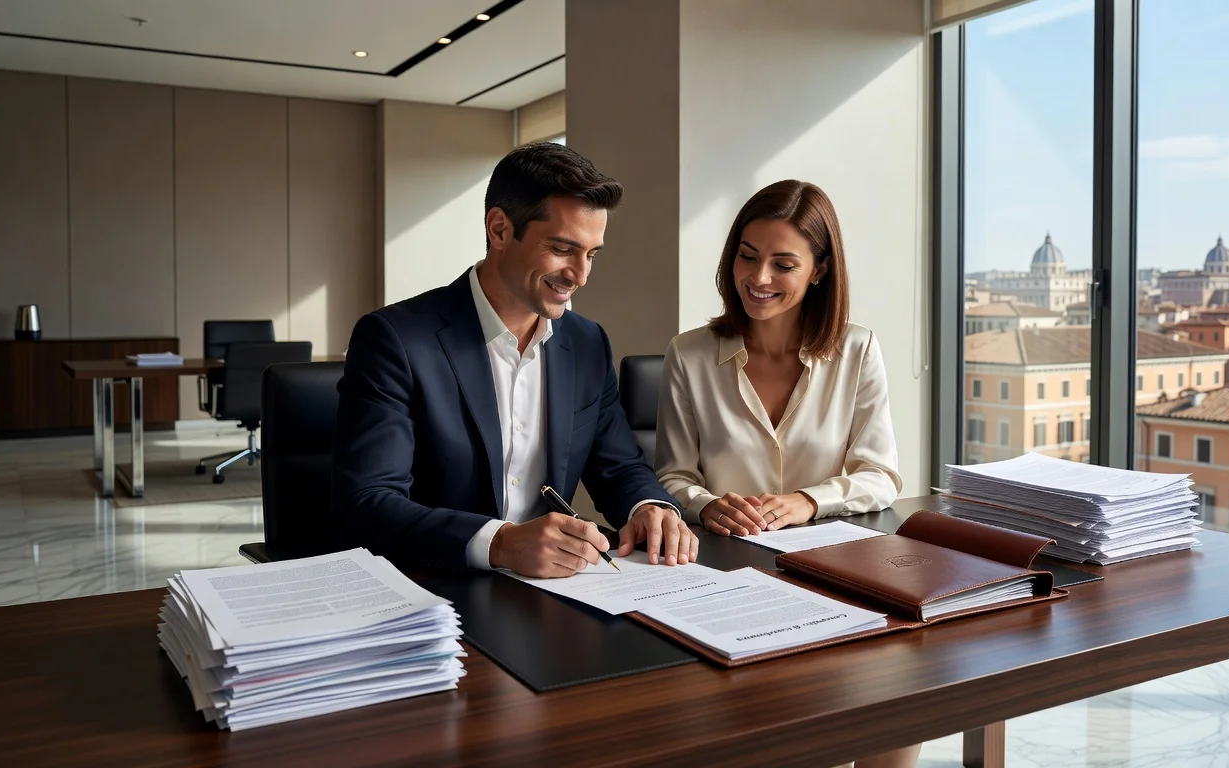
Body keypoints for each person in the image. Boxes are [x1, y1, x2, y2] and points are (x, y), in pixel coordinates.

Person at [332, 142, 697, 578]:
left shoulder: (586, 342)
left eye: (591, 254)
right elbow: (369, 502)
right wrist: (500, 543)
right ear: (500, 230)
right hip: (435, 584)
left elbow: (619, 465)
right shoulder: (395, 340)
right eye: (562, 249)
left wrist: (649, 507)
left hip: (556, 588)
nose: (581, 276)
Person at [654, 179, 916, 768]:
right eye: (747, 256)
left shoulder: (857, 351)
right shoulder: (689, 355)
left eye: (783, 264)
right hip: (728, 580)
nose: (759, 277)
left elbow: (880, 474)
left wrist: (808, 500)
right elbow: (671, 476)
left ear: (819, 270)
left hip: (835, 574)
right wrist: (704, 503)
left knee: (899, 703)